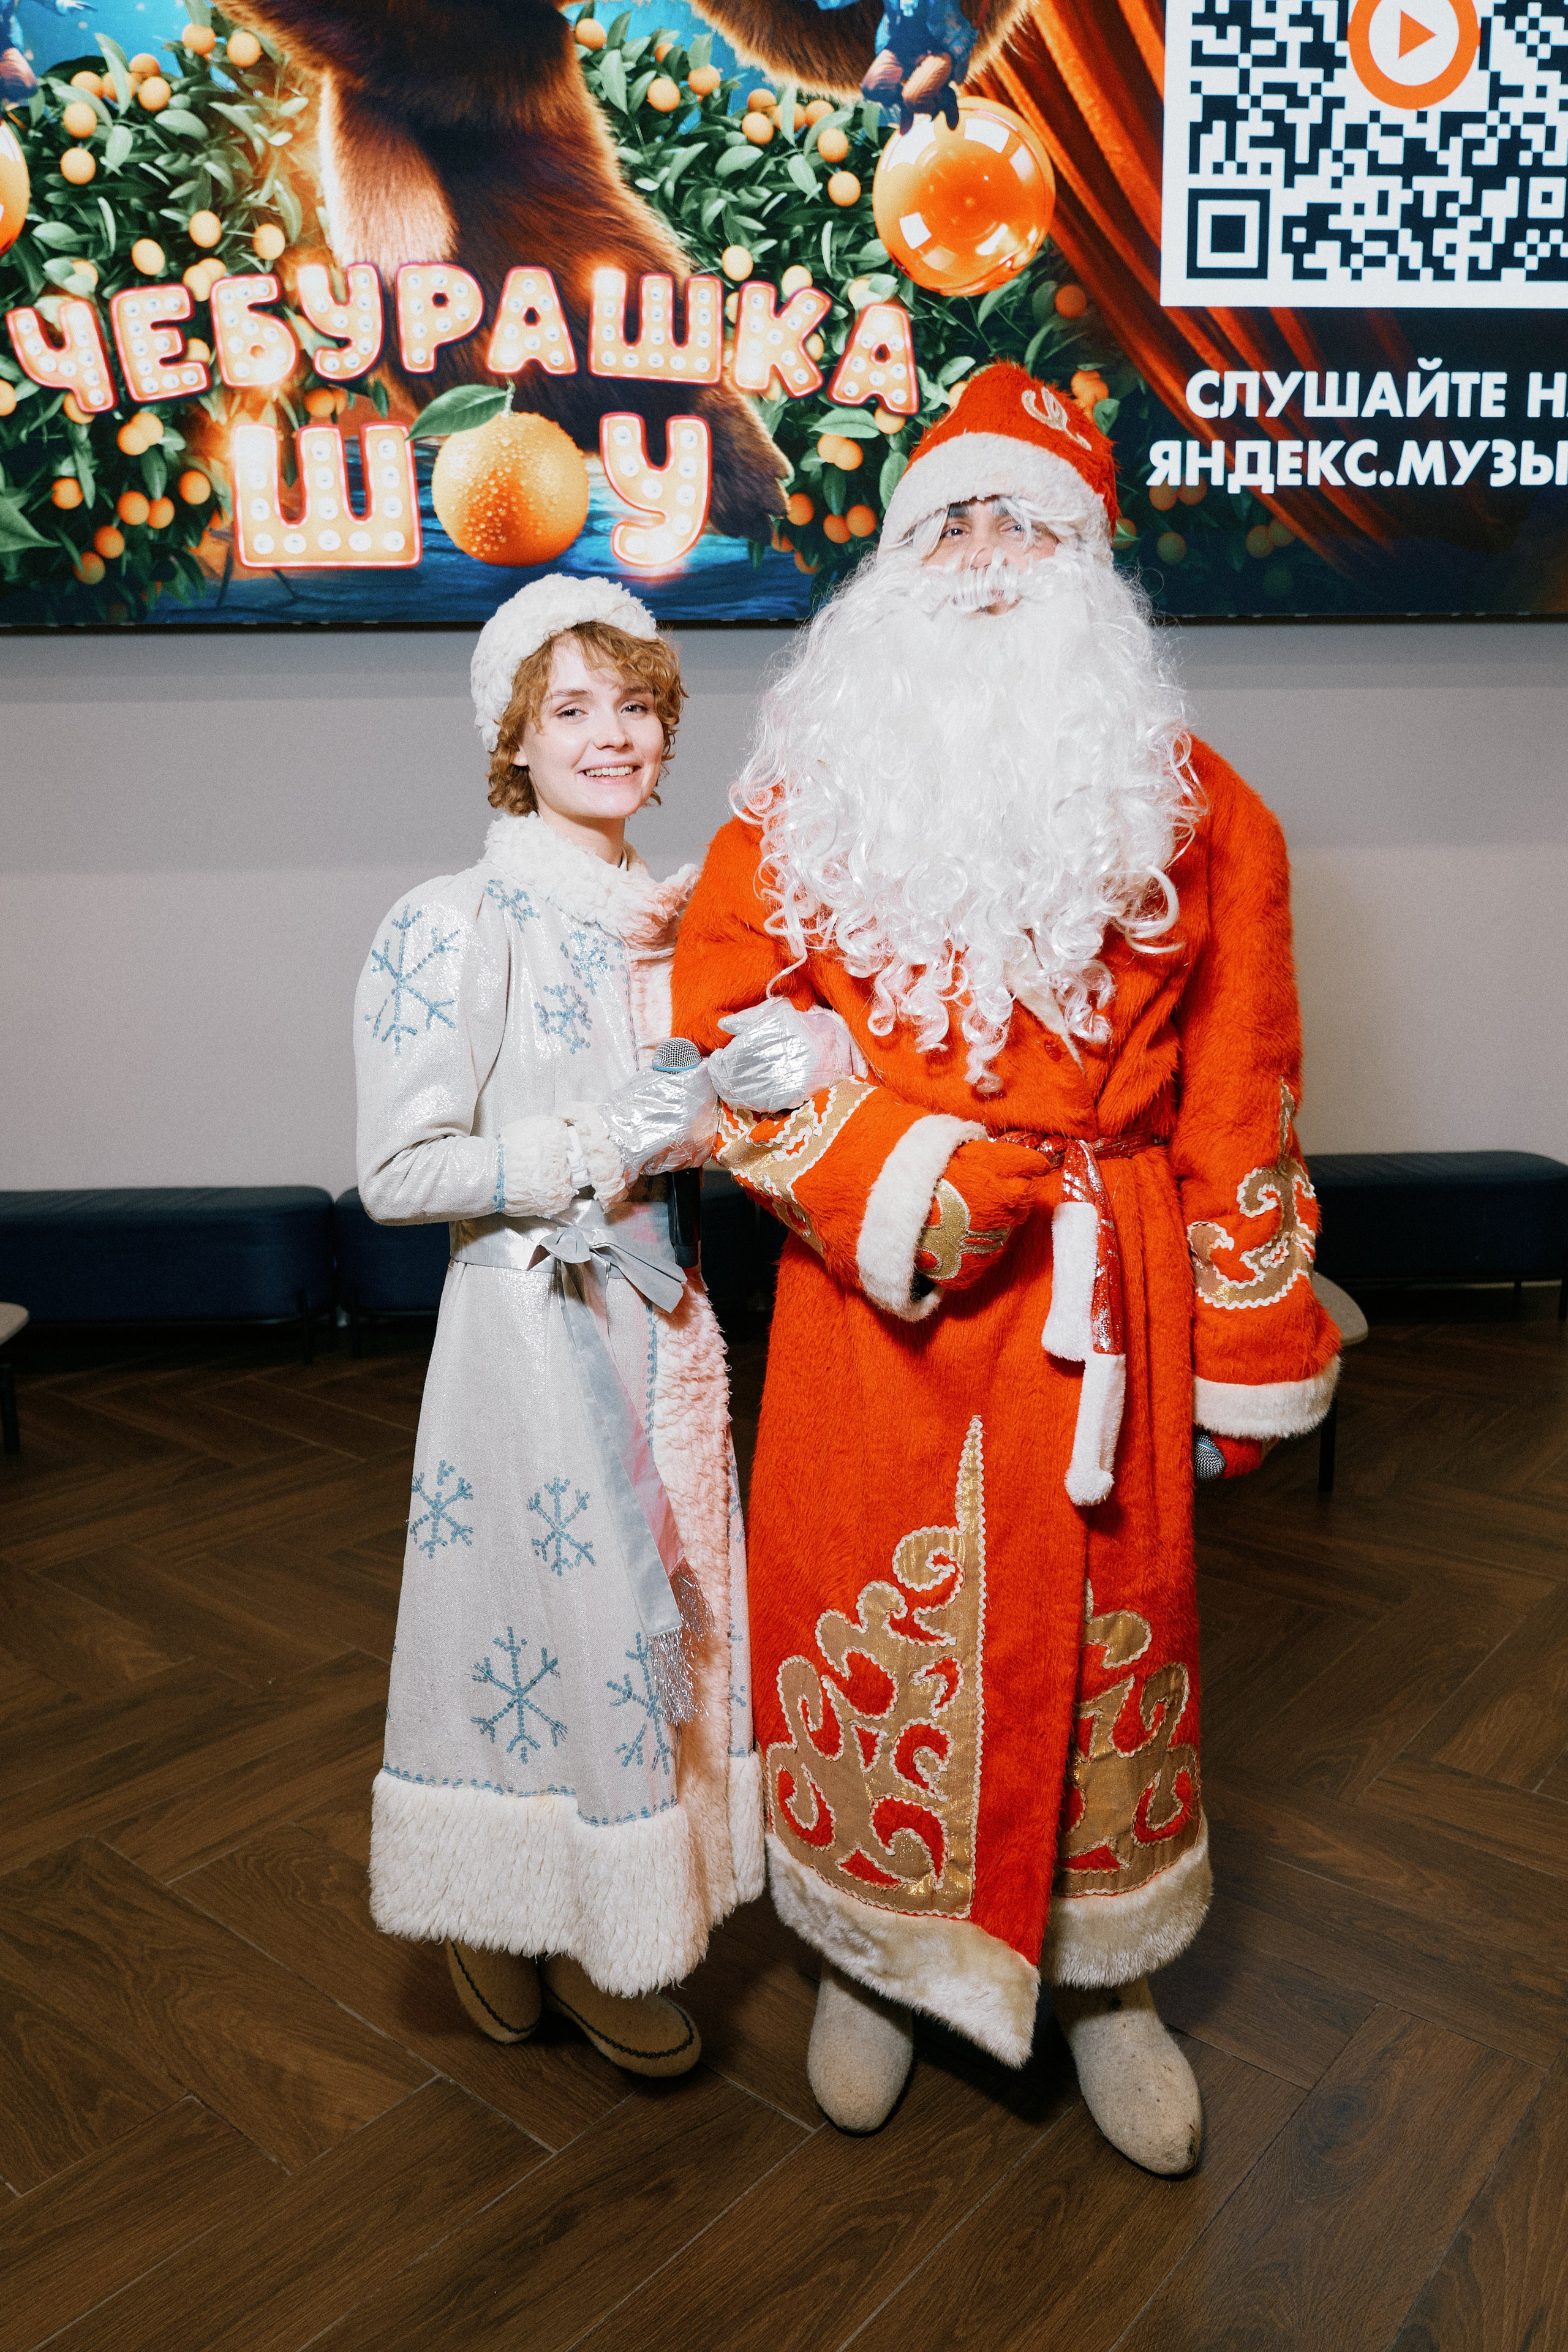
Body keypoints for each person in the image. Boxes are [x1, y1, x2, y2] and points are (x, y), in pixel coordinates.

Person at [671, 364, 1340, 2169]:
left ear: (1090, 568)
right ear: (894, 568)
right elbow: (723, 1022)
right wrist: (894, 1179)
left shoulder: (1211, 816)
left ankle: (1107, 1976)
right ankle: (867, 1955)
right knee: (859, 1606)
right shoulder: (803, 802)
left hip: (1103, 1303)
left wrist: (1249, 1346)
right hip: (871, 1315)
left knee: (1117, 1646)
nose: (982, 552)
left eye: (1021, 519)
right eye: (947, 517)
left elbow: (1244, 1100)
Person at [355, 574, 761, 2077]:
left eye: (635, 704)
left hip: (671, 1337)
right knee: (541, 1630)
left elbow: (720, 1134)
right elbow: (400, 1174)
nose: (611, 734)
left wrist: (760, 1091)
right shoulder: (448, 922)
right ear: (512, 743)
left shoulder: (686, 930)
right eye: (568, 708)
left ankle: (612, 1919)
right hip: (527, 1338)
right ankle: (499, 1904)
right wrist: (604, 1136)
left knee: (657, 1637)